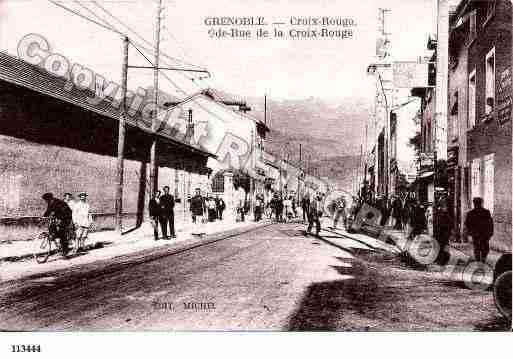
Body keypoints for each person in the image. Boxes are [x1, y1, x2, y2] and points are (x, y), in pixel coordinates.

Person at [42, 192, 73, 257]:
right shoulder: (50, 203)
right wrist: (43, 217)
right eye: (45, 200)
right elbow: (48, 211)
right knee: (52, 226)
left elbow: (63, 211)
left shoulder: (58, 202)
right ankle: (54, 237)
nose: (46, 201)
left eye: (46, 200)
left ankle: (65, 251)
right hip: (59, 217)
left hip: (66, 217)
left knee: (62, 233)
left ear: (50, 198)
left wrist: (59, 219)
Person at [464, 197, 494, 262]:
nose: (477, 204)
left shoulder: (485, 212)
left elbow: (490, 223)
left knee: (482, 247)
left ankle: (481, 259)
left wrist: (490, 232)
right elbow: (467, 224)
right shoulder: (472, 213)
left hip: (483, 234)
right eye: (476, 203)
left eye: (478, 203)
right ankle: (480, 260)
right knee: (479, 247)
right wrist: (471, 232)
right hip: (478, 234)